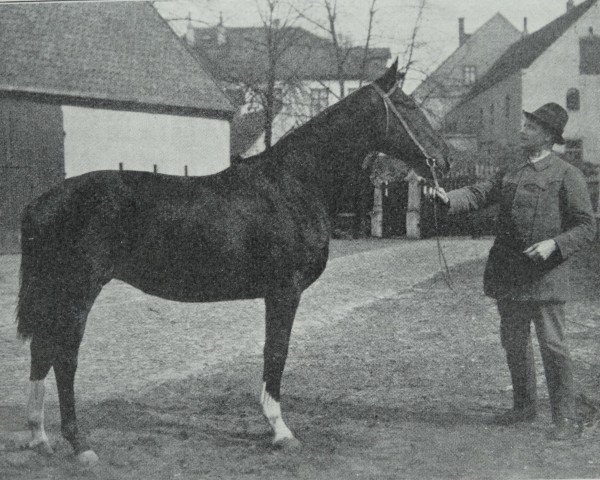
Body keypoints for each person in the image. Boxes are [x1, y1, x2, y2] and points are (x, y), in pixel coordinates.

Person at [426, 102, 596, 440]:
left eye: (531, 127)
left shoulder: (567, 174)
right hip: (509, 274)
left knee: (553, 345)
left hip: (545, 276)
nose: (523, 130)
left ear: (548, 136)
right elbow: (481, 193)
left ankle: (564, 417)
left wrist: (554, 245)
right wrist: (449, 199)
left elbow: (586, 226)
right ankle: (523, 407)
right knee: (514, 342)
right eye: (525, 124)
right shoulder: (512, 169)